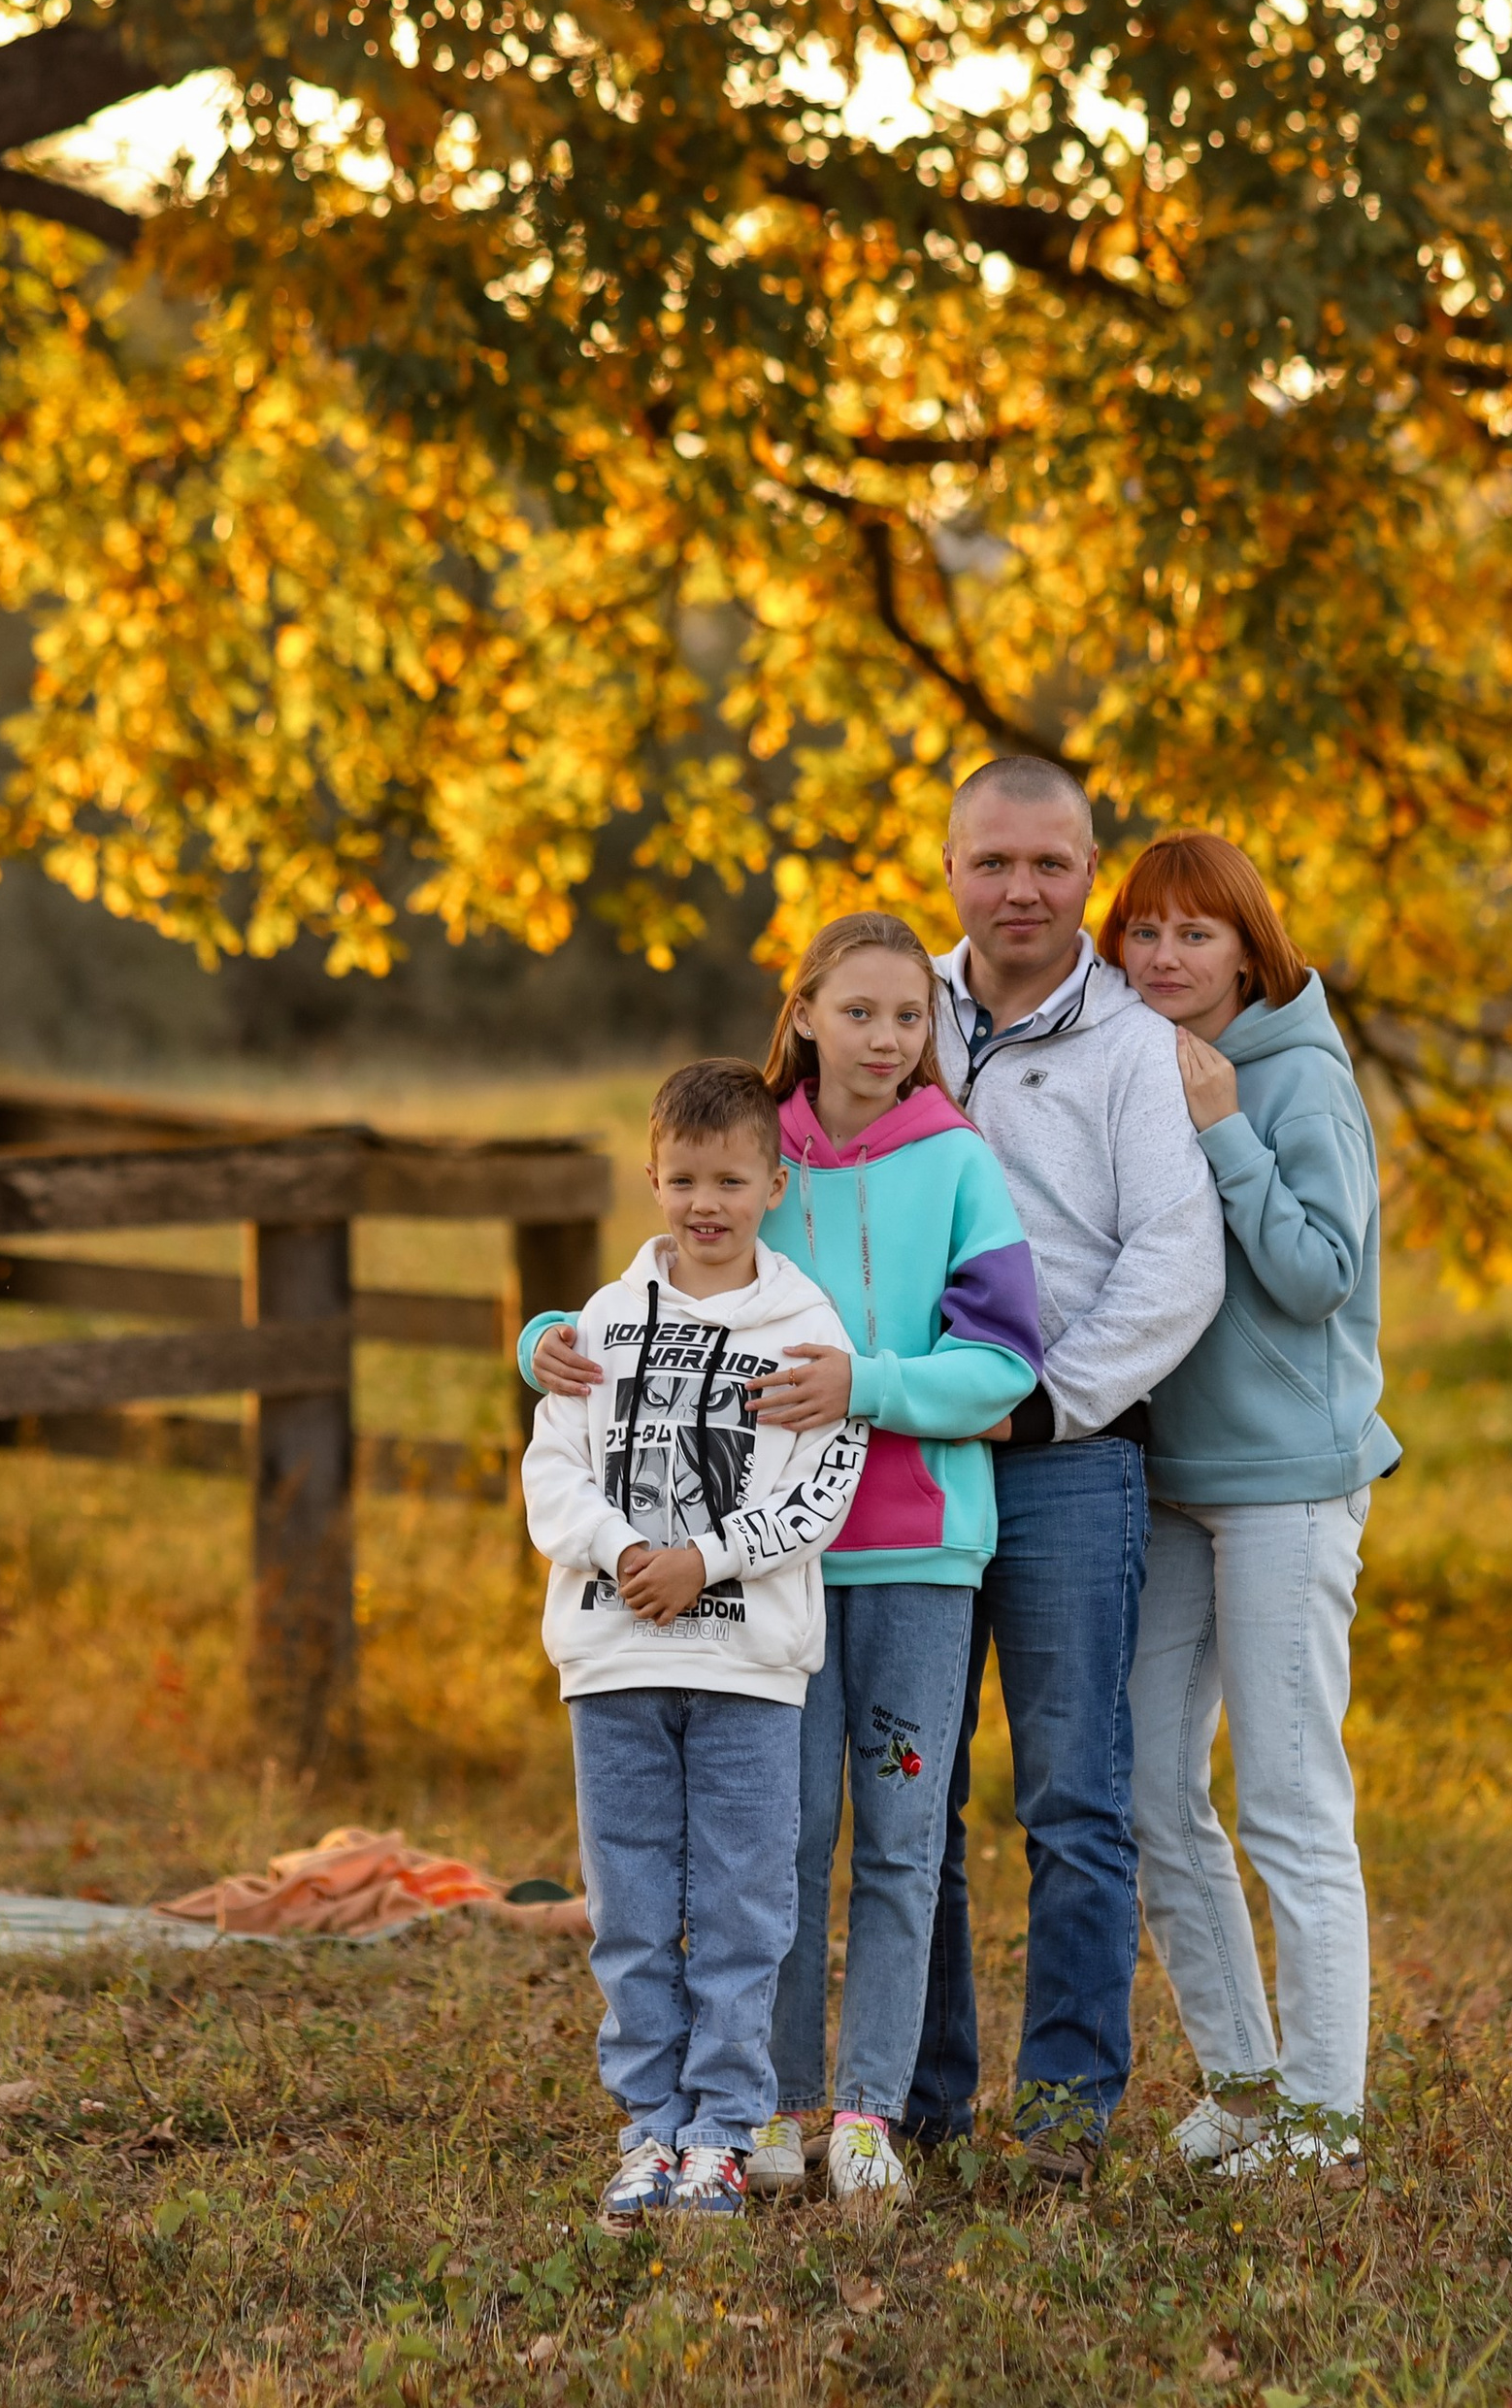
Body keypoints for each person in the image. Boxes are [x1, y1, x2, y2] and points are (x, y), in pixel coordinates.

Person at [527, 912, 1043, 2202]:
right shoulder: (756, 1153)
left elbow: (1004, 1366)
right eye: (857, 1010)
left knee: (903, 1842)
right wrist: (548, 1335)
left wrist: (866, 1384)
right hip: (759, 1589)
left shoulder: (958, 1162)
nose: (885, 1038)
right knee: (782, 1852)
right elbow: (664, 1302)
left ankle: (866, 2111)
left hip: (917, 1546)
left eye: (910, 1015)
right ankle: (773, 2103)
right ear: (803, 1012)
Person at [904, 754, 1227, 2179]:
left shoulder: (1133, 1045)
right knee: (908, 1791)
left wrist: (1044, 1409)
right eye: (994, 861)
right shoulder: (892, 1007)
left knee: (1074, 1797)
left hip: (1067, 1463)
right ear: (951, 867)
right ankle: (915, 2098)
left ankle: (1062, 2113)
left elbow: (1177, 1260)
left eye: (1051, 862)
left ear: (1089, 869)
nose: (1022, 888)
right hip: (904, 1461)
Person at [519, 1059, 869, 2225]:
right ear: (652, 1179)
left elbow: (823, 1490)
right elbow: (552, 1466)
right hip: (614, 1659)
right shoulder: (601, 1323)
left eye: (729, 1179)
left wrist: (703, 1561)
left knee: (741, 1909)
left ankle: (722, 2129)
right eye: (683, 1180)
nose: (705, 1202)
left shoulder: (806, 1328)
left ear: (774, 1182)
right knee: (628, 1909)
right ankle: (649, 2128)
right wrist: (624, 1550)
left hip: (747, 1669)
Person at [1101, 832, 1401, 2175]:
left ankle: (1325, 2120)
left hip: (1288, 1485)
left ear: (1247, 948)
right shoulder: (1135, 1062)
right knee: (1150, 1786)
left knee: (1289, 1799)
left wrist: (1225, 1128)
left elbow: (1320, 1273)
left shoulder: (1296, 1079)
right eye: (1144, 931)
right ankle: (1247, 2087)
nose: (1165, 956)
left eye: (1195, 933)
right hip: (1170, 1477)